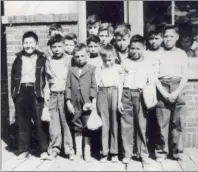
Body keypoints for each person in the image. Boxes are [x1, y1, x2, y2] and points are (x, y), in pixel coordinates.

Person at [11, 31, 48, 160]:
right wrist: (15, 95)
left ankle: (43, 150)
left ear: (36, 44)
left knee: (39, 121)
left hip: (36, 92)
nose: (28, 45)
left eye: (31, 42)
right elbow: (13, 78)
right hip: (22, 91)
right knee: (22, 121)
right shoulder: (18, 58)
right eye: (25, 43)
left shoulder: (42, 58)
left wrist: (43, 93)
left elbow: (45, 77)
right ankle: (24, 149)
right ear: (22, 44)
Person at [155, 24, 188, 161]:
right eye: (165, 36)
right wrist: (164, 93)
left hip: (178, 87)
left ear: (177, 37)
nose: (168, 39)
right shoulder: (159, 54)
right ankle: (161, 152)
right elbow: (154, 76)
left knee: (178, 122)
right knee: (162, 122)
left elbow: (185, 76)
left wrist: (175, 93)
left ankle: (177, 152)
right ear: (162, 38)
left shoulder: (181, 54)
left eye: (171, 36)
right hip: (162, 87)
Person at [120, 35, 152, 164]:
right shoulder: (124, 62)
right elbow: (120, 81)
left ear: (144, 48)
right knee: (126, 125)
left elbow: (151, 81)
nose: (135, 51)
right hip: (126, 93)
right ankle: (127, 153)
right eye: (132, 48)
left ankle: (143, 153)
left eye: (138, 48)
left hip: (140, 94)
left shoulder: (147, 63)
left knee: (141, 124)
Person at [44, 34, 74, 160]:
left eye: (59, 46)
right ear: (50, 48)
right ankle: (55, 148)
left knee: (66, 122)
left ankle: (69, 149)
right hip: (53, 95)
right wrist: (46, 97)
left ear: (64, 46)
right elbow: (46, 81)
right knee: (54, 124)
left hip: (65, 95)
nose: (57, 49)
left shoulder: (69, 60)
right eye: (54, 47)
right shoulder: (48, 61)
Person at [66, 43, 97, 162]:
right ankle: (78, 151)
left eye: (82, 56)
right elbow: (68, 87)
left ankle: (87, 152)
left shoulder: (92, 68)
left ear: (87, 55)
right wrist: (68, 102)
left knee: (87, 126)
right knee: (76, 126)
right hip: (74, 103)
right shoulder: (71, 69)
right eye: (77, 56)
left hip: (87, 103)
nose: (80, 59)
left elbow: (94, 86)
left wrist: (93, 103)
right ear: (74, 56)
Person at [95, 44, 124, 163]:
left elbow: (120, 85)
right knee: (104, 123)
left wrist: (119, 102)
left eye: (110, 60)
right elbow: (96, 86)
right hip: (102, 93)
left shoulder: (118, 68)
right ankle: (104, 151)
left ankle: (114, 152)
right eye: (105, 60)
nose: (107, 62)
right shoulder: (99, 69)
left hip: (114, 92)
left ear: (114, 57)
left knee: (114, 123)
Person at [144, 24, 164, 160]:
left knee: (160, 120)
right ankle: (147, 147)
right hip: (148, 89)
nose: (154, 41)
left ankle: (160, 148)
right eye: (151, 38)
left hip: (162, 88)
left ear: (162, 38)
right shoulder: (145, 53)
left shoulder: (164, 53)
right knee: (148, 119)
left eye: (156, 38)